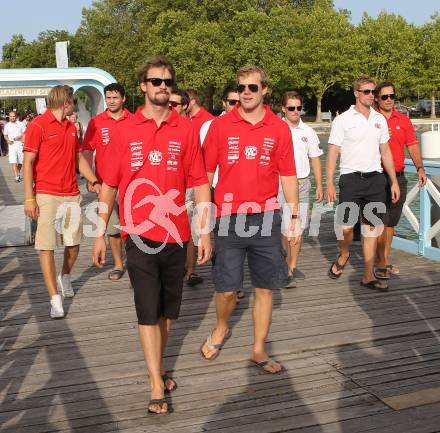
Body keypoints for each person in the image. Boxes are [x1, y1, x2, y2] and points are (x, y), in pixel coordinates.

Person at [92, 55, 211, 415]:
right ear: (142, 85)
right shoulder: (125, 130)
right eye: (156, 81)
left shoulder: (185, 129)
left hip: (177, 235)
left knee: (168, 313)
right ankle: (156, 383)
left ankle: (156, 368)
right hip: (138, 235)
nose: (162, 87)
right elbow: (110, 185)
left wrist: (204, 231)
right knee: (147, 310)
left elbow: (200, 183)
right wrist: (99, 233)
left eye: (168, 82)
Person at [201, 65, 300, 373]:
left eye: (252, 88)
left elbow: (288, 174)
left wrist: (294, 215)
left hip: (267, 217)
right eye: (241, 87)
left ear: (264, 90)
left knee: (265, 287)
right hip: (229, 217)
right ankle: (221, 327)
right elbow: (204, 174)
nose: (245, 92)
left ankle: (258, 349)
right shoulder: (221, 126)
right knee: (226, 288)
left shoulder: (279, 128)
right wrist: (202, 218)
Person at [23, 85, 100, 319]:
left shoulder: (71, 128)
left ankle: (65, 275)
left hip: (71, 193)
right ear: (64, 102)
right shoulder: (38, 125)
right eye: (73, 100)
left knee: (74, 244)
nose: (74, 104)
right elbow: (27, 163)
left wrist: (94, 180)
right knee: (46, 247)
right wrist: (29, 198)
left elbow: (78, 158)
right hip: (46, 194)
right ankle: (54, 298)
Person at [326, 76, 400, 291]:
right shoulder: (342, 120)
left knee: (371, 229)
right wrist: (329, 182)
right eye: (366, 91)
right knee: (346, 227)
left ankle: (368, 275)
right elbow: (333, 152)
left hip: (375, 179)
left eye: (372, 92)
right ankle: (344, 253)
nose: (371, 95)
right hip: (350, 178)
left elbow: (385, 151)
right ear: (356, 93)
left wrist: (393, 181)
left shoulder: (379, 119)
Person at [374, 82, 427, 279]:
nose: (389, 100)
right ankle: (378, 262)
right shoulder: (372, 119)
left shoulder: (403, 120)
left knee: (391, 223)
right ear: (377, 98)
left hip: (398, 176)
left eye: (392, 96)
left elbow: (412, 146)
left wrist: (420, 168)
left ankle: (384, 260)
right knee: (378, 221)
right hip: (377, 176)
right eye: (385, 96)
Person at [82, 83, 132, 281]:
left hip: (131, 183)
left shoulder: (135, 121)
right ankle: (119, 264)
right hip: (105, 184)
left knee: (135, 225)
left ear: (123, 99)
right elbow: (87, 150)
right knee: (112, 227)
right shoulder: (97, 122)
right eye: (108, 98)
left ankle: (137, 262)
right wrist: (90, 178)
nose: (111, 101)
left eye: (115, 97)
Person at [279, 91, 323, 288]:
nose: (296, 112)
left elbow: (315, 158)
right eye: (291, 108)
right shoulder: (276, 128)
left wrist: (321, 184)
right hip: (279, 182)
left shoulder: (308, 131)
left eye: (299, 108)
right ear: (283, 109)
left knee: (298, 227)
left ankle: (291, 267)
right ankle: (281, 265)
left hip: (302, 182)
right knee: (282, 227)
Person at [184, 89, 215, 286]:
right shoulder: (178, 120)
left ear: (191, 101)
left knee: (198, 228)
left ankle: (191, 271)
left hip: (198, 183)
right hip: (177, 183)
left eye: (181, 102)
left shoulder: (208, 121)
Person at [3, 111, 25, 182]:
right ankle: (16, 176)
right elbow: (5, 135)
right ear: (9, 117)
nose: (12, 118)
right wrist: (8, 140)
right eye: (11, 116)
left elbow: (26, 133)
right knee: (13, 161)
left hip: (20, 144)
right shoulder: (7, 125)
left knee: (21, 162)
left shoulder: (21, 124)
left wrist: (20, 136)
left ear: (16, 116)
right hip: (11, 145)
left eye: (13, 116)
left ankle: (17, 174)